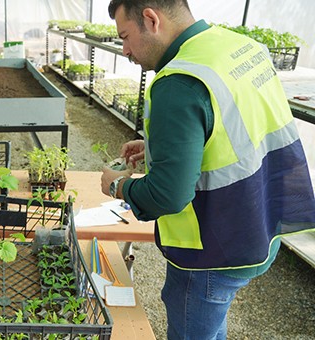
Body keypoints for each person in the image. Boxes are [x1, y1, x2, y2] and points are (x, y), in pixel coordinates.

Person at [101, 1, 315, 339]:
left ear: (150, 19)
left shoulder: (178, 82)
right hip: (260, 223)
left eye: (125, 36)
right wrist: (162, 147)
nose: (125, 50)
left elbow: (166, 195)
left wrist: (117, 187)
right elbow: (232, 122)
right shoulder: (238, 46)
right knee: (212, 322)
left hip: (214, 245)